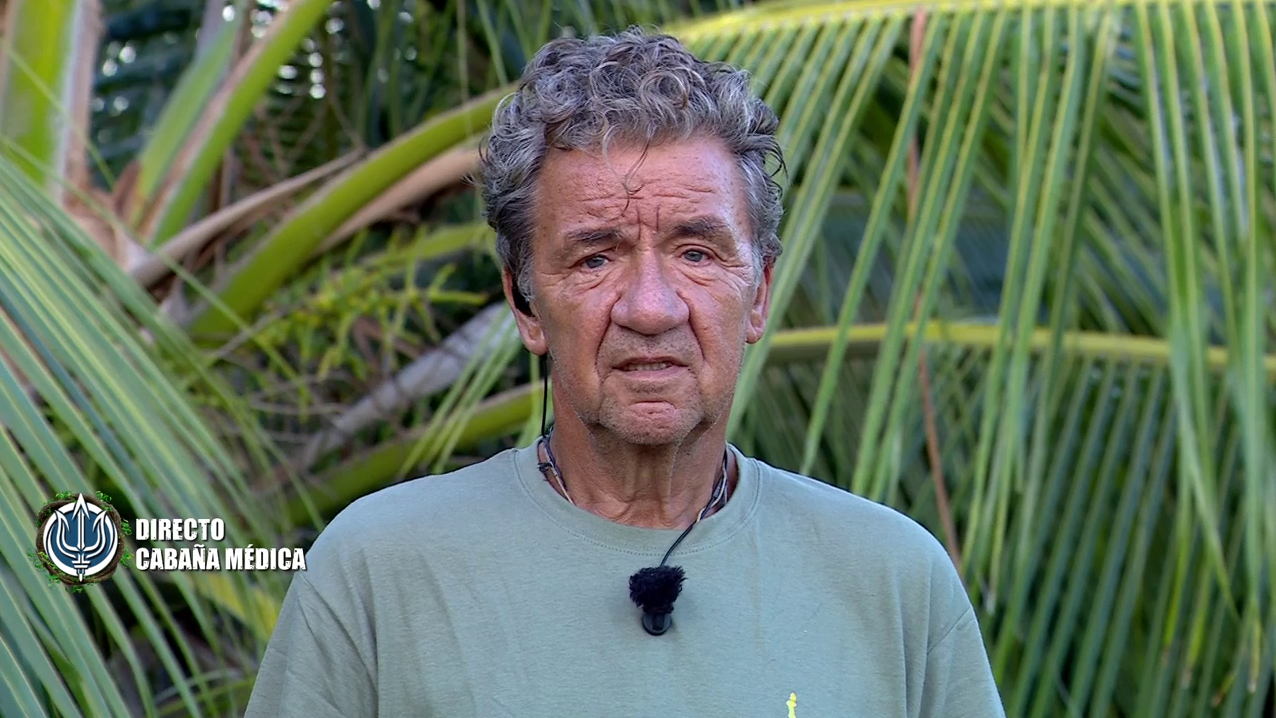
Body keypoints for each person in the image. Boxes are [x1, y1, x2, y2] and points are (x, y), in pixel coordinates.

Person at [243, 27, 1005, 718]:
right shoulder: (376, 575)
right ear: (526, 303)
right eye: (596, 257)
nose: (650, 307)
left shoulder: (894, 584)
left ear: (759, 295)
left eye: (697, 253)